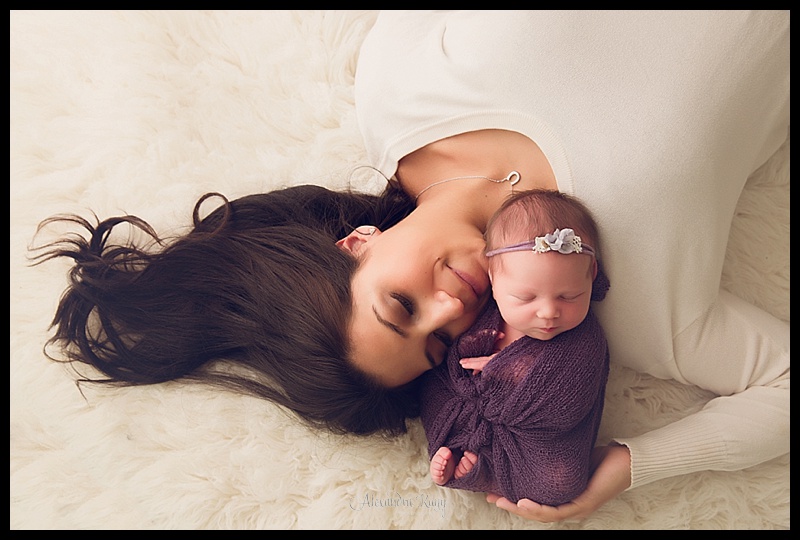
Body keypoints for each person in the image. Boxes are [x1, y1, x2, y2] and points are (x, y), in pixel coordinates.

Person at [33, 11, 789, 523]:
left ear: (355, 243)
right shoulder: (620, 303)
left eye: (400, 305)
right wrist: (626, 467)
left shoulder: (398, 96)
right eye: (437, 344)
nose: (451, 311)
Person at [422, 189, 611, 507]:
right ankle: (467, 462)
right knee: (432, 391)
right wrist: (473, 372)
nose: (549, 312)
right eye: (526, 298)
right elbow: (456, 364)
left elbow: (571, 399)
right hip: (477, 412)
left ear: (591, 276)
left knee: (561, 483)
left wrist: (509, 372)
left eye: (569, 296)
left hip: (536, 437)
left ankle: (487, 474)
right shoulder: (485, 316)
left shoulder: (584, 339)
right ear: (493, 278)